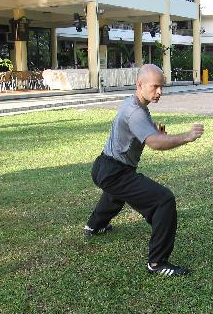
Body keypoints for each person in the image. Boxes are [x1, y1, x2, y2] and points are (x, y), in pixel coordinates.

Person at [85, 64, 204, 277]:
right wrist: (186, 136)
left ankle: (94, 226)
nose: (160, 92)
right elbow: (155, 144)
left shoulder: (135, 104)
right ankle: (157, 263)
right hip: (114, 170)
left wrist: (155, 133)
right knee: (163, 200)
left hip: (104, 166)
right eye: (155, 86)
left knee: (115, 195)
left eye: (162, 87)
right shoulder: (135, 112)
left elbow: (145, 135)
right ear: (140, 85)